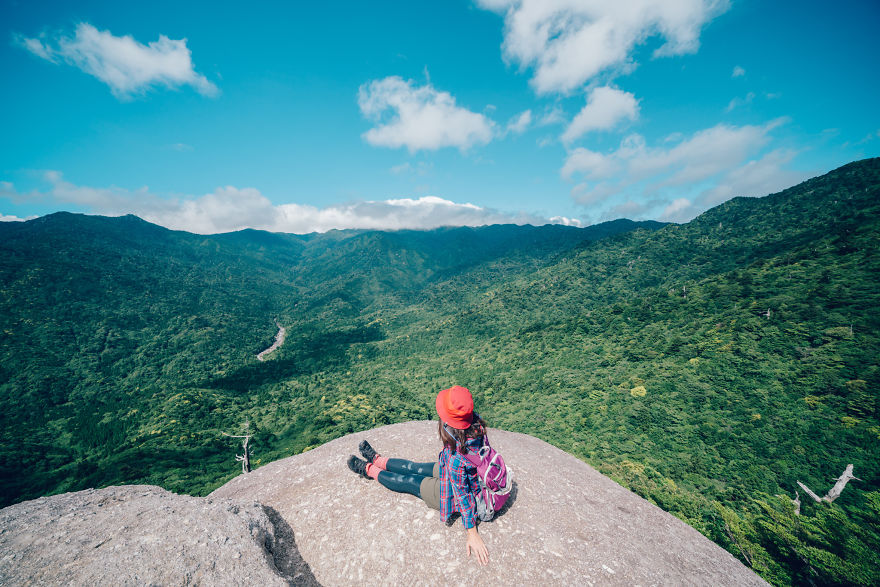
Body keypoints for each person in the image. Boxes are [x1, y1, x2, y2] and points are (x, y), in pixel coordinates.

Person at [346, 385, 490, 566]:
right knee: (414, 467)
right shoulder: (476, 425)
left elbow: (463, 495)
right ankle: (378, 460)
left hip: (453, 490)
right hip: (458, 471)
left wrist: (472, 532)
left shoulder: (456, 459)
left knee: (409, 480)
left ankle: (369, 470)